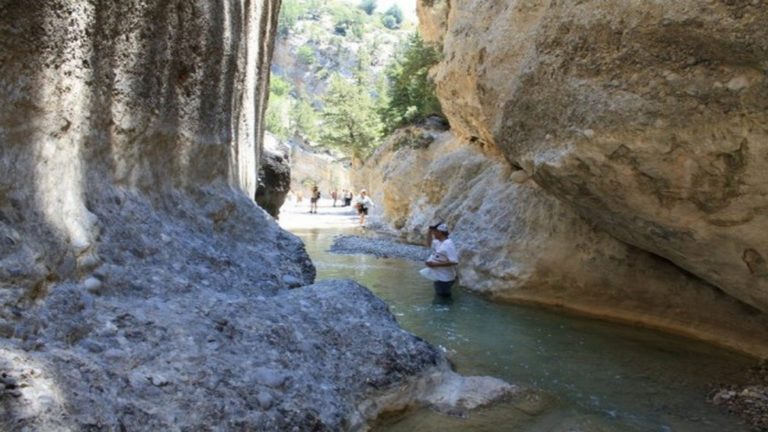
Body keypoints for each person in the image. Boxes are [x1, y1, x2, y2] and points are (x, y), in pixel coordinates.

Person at [425, 223, 459, 297]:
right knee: (440, 298)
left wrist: (435, 264)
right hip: (439, 276)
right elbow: (428, 244)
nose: (434, 234)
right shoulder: (439, 242)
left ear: (440, 232)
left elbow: (454, 261)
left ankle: (450, 308)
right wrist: (429, 232)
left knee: (444, 299)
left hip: (445, 278)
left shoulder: (448, 244)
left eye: (435, 232)